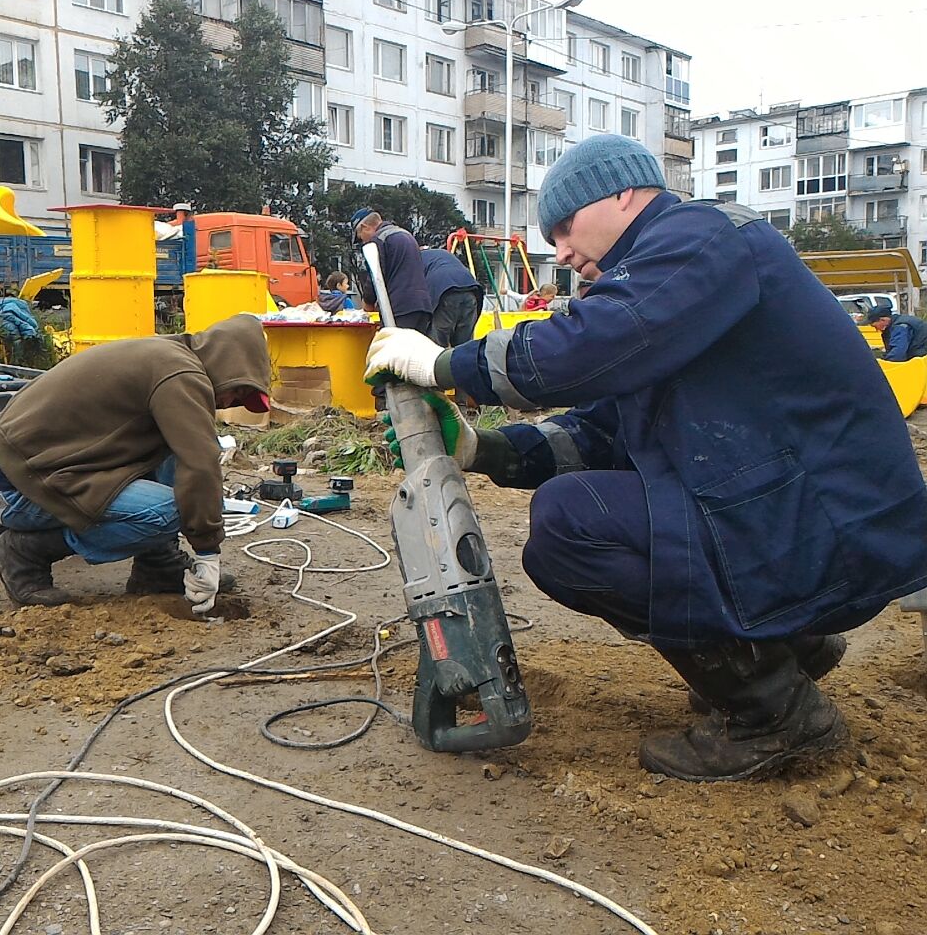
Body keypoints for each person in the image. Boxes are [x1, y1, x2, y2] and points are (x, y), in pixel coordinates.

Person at [364, 133, 927, 782]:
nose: (564, 252)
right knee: (582, 507)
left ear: (624, 194)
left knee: (568, 526)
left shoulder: (703, 239)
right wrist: (483, 448)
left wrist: (443, 363)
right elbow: (602, 430)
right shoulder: (667, 283)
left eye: (567, 228)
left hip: (825, 527)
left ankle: (773, 711)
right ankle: (777, 648)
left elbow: (586, 348)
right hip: (806, 520)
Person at [0, 313, 272, 615]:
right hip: (14, 489)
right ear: (227, 363)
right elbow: (202, 463)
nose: (228, 403)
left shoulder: (168, 356)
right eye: (238, 392)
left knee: (174, 447)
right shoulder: (180, 375)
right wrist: (208, 551)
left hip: (36, 469)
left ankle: (157, 564)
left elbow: (190, 454)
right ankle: (21, 553)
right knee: (169, 512)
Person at [351, 208, 433, 334]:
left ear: (365, 227)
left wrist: (368, 303)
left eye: (360, 238)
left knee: (395, 351)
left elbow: (375, 275)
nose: (363, 242)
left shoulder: (379, 240)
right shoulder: (406, 235)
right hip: (423, 306)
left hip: (400, 309)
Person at [420, 248, 484, 347]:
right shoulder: (441, 254)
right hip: (471, 290)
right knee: (464, 347)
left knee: (436, 347)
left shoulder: (415, 259)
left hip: (445, 292)